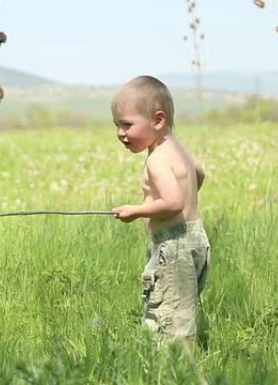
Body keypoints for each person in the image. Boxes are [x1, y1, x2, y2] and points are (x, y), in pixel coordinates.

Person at [111, 75, 210, 347]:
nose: (120, 133)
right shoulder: (176, 147)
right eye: (117, 125)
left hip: (174, 245)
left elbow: (173, 202)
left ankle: (177, 370)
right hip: (195, 238)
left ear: (158, 120)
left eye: (127, 125)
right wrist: (189, 195)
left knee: (169, 318)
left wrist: (137, 210)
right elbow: (199, 173)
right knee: (181, 308)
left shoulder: (156, 161)